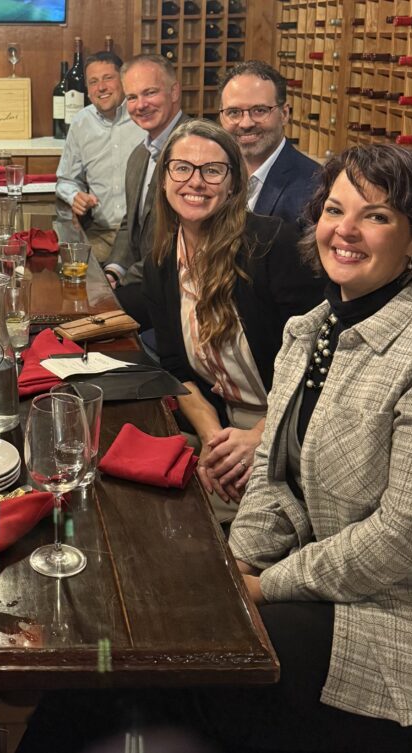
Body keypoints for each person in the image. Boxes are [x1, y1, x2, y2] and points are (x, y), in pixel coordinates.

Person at [20, 144, 412, 753]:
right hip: (326, 584)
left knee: (148, 658)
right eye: (335, 210)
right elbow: (278, 480)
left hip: (408, 620)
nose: (347, 231)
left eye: (378, 216)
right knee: (114, 646)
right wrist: (242, 564)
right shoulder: (312, 331)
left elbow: (402, 540)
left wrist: (261, 585)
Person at [142, 119, 324, 519]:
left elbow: (320, 366)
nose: (196, 182)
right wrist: (212, 439)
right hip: (223, 426)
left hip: (296, 429)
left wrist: (256, 439)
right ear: (164, 177)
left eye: (212, 170)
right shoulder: (160, 257)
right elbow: (174, 365)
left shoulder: (272, 246)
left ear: (233, 184)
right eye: (182, 167)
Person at [102, 54, 188, 327]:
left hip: (176, 290)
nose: (141, 105)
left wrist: (123, 282)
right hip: (144, 280)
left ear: (174, 91)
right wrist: (114, 271)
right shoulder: (140, 154)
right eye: (132, 97)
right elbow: (131, 224)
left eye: (150, 93)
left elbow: (177, 240)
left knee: (90, 319)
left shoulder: (193, 148)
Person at [54, 50, 144, 263]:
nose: (100, 87)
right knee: (67, 268)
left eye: (107, 78)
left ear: (123, 80)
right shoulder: (80, 122)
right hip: (100, 234)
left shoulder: (143, 117)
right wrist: (75, 196)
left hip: (141, 236)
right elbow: (65, 181)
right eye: (93, 82)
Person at [218, 60, 320, 226]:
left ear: (284, 114)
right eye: (234, 112)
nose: (246, 123)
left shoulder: (315, 186)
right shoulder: (214, 173)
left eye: (259, 111)